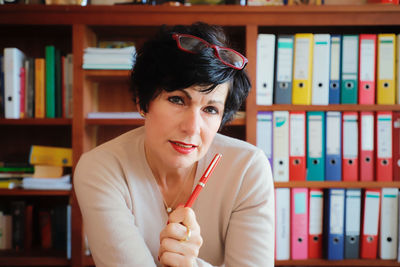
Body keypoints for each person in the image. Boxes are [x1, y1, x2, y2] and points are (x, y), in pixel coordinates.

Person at [74, 22, 274, 267]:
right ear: (142, 102)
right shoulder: (100, 169)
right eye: (177, 99)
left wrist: (190, 265)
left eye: (210, 109)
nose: (192, 127)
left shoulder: (248, 169)